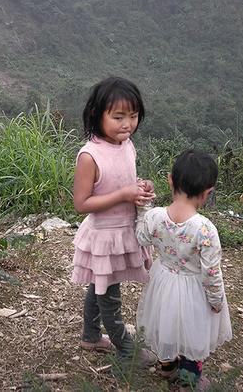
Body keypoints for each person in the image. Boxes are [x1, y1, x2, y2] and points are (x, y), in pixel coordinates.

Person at [71, 77, 156, 362]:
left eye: (133, 116)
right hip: (105, 235)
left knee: (100, 284)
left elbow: (124, 181)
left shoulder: (127, 145)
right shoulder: (90, 156)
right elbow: (82, 203)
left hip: (123, 230)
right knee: (110, 293)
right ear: (97, 115)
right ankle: (126, 349)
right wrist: (123, 194)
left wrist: (139, 187)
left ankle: (91, 336)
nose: (127, 124)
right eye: (118, 117)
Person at [135, 149, 232, 390]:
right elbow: (211, 273)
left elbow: (141, 237)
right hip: (193, 289)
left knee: (164, 323)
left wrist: (142, 209)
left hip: (163, 280)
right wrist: (216, 300)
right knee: (193, 331)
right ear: (208, 192)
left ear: (170, 180)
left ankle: (167, 368)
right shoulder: (205, 229)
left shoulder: (155, 217)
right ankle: (189, 380)